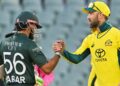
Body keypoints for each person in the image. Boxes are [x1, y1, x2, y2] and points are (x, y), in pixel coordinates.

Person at [53, 1, 120, 86]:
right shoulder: (90, 39)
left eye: (91, 13)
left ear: (100, 15)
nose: (88, 17)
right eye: (88, 14)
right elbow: (77, 58)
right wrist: (63, 51)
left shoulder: (117, 35)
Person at [0, 11, 61, 86]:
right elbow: (47, 69)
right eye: (34, 25)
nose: (35, 29)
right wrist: (58, 53)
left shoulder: (3, 43)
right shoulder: (30, 44)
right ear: (25, 24)